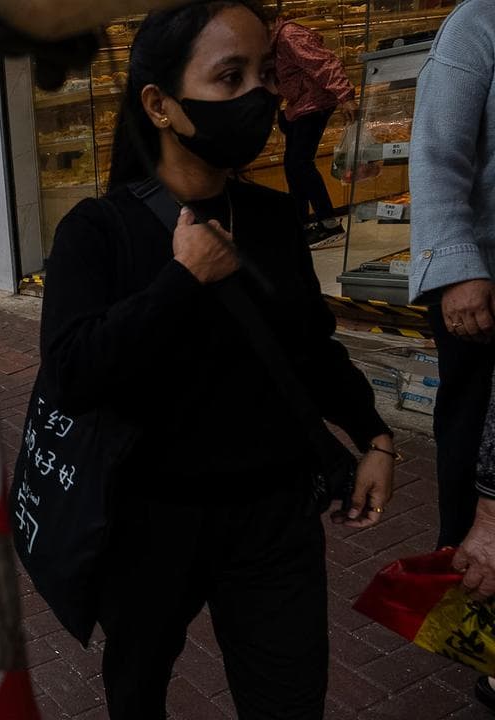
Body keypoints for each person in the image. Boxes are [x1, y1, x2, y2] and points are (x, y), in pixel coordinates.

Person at [39, 2, 395, 717]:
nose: (259, 98)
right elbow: (72, 374)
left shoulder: (267, 217)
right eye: (229, 78)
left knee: (289, 699)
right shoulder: (98, 231)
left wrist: (374, 435)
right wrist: (181, 279)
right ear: (160, 105)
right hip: (147, 521)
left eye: (264, 75)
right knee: (138, 689)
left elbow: (308, 345)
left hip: (273, 519)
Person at [407, 0, 495, 710]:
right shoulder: (479, 20)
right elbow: (436, 150)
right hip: (485, 295)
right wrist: (459, 267)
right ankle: (479, 629)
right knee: (473, 456)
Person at [273, 14, 358, 249]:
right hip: (299, 106)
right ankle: (302, 224)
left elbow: (324, 63)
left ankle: (328, 224)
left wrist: (345, 96)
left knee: (300, 164)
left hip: (315, 103)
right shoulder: (273, 41)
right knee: (293, 165)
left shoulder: (289, 36)